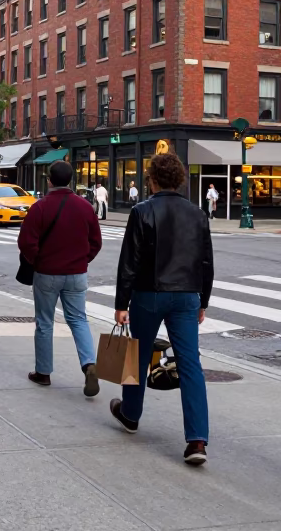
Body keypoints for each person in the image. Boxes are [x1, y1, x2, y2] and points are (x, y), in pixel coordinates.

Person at [109, 153, 212, 466]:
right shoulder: (197, 213)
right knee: (190, 363)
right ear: (179, 179)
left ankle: (131, 414)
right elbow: (206, 261)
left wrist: (120, 304)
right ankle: (196, 440)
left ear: (151, 179)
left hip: (149, 293)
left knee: (137, 356)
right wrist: (203, 300)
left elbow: (130, 262)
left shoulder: (142, 211)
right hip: (186, 295)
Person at [18, 161, 102, 397]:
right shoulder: (85, 207)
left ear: (50, 180)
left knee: (45, 321)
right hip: (77, 273)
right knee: (79, 320)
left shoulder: (40, 207)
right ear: (71, 180)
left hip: (47, 273)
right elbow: (96, 242)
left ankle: (43, 372)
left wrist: (38, 260)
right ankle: (89, 365)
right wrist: (83, 260)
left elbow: (25, 242)